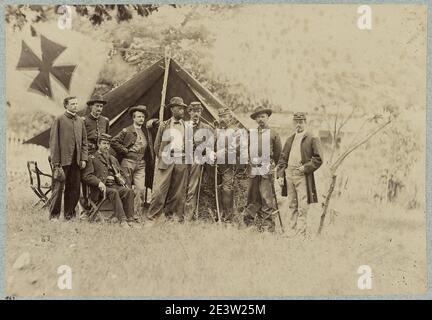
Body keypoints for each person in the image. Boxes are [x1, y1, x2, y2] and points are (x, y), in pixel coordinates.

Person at [276, 112, 323, 237]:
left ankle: (300, 233)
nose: (298, 124)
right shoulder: (290, 139)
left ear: (305, 123)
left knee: (303, 205)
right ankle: (291, 231)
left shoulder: (312, 138)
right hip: (289, 174)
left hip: (302, 175)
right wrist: (280, 175)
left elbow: (318, 159)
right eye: (296, 122)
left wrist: (305, 168)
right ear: (293, 123)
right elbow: (282, 159)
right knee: (292, 203)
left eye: (301, 122)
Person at [147, 96, 189, 223]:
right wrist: (163, 157)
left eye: (183, 109)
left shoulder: (187, 126)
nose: (182, 111)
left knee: (177, 192)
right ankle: (152, 217)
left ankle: (170, 216)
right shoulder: (164, 125)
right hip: (166, 159)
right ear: (172, 110)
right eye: (179, 108)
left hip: (181, 160)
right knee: (159, 190)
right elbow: (156, 145)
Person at [82, 134, 136, 229]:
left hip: (114, 186)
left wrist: (121, 179)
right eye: (104, 143)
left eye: (108, 144)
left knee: (129, 191)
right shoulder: (92, 158)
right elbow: (87, 176)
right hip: (99, 189)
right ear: (99, 144)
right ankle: (122, 220)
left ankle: (130, 219)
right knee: (114, 192)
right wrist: (98, 182)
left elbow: (122, 174)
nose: (106, 146)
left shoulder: (113, 159)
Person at [111, 105, 155, 219]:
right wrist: (125, 150)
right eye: (139, 117)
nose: (141, 119)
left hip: (141, 164)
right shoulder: (127, 130)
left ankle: (137, 215)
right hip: (128, 162)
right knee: (127, 189)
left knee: (140, 190)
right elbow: (114, 141)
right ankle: (125, 214)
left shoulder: (146, 131)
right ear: (133, 118)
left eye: (143, 117)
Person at [49, 96, 88, 221]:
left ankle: (69, 215)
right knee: (58, 189)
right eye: (72, 104)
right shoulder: (59, 119)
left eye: (76, 103)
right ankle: (54, 216)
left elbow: (84, 142)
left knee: (74, 189)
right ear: (66, 105)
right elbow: (54, 142)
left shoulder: (80, 121)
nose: (75, 106)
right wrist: (56, 163)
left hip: (76, 162)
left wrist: (83, 159)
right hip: (62, 162)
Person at [243, 106, 282, 232]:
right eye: (258, 117)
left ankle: (267, 227)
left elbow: (278, 154)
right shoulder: (251, 134)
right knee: (252, 197)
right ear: (255, 120)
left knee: (266, 198)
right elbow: (247, 151)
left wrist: (272, 168)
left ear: (267, 117)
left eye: (263, 116)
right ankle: (250, 225)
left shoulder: (274, 134)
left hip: (266, 169)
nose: (260, 119)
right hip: (253, 169)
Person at [184, 101, 213, 221]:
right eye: (193, 111)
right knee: (180, 187)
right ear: (189, 112)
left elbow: (211, 145)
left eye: (198, 111)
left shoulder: (206, 128)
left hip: (196, 161)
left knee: (192, 188)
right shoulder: (183, 125)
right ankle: (176, 214)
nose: (196, 114)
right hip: (182, 160)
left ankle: (188, 216)